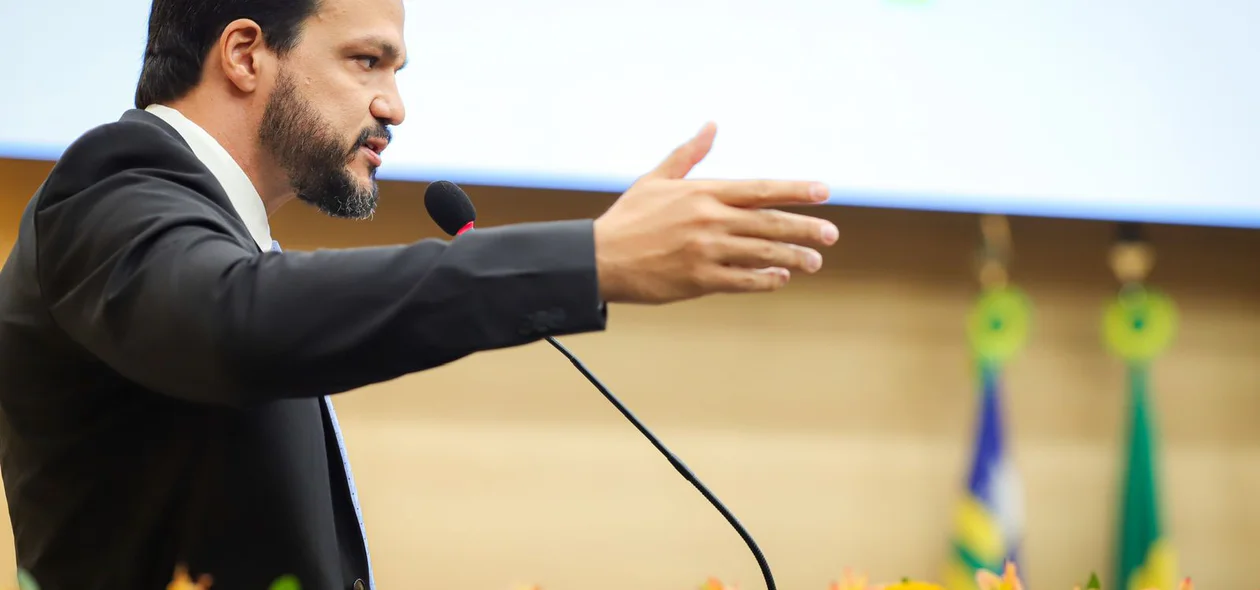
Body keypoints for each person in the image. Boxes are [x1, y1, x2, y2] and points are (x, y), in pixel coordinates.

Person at [0, 0, 839, 588]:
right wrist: (591, 258)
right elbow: (239, 322)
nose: (394, 105)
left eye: (396, 68)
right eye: (367, 61)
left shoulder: (210, 224)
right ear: (246, 52)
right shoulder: (111, 183)